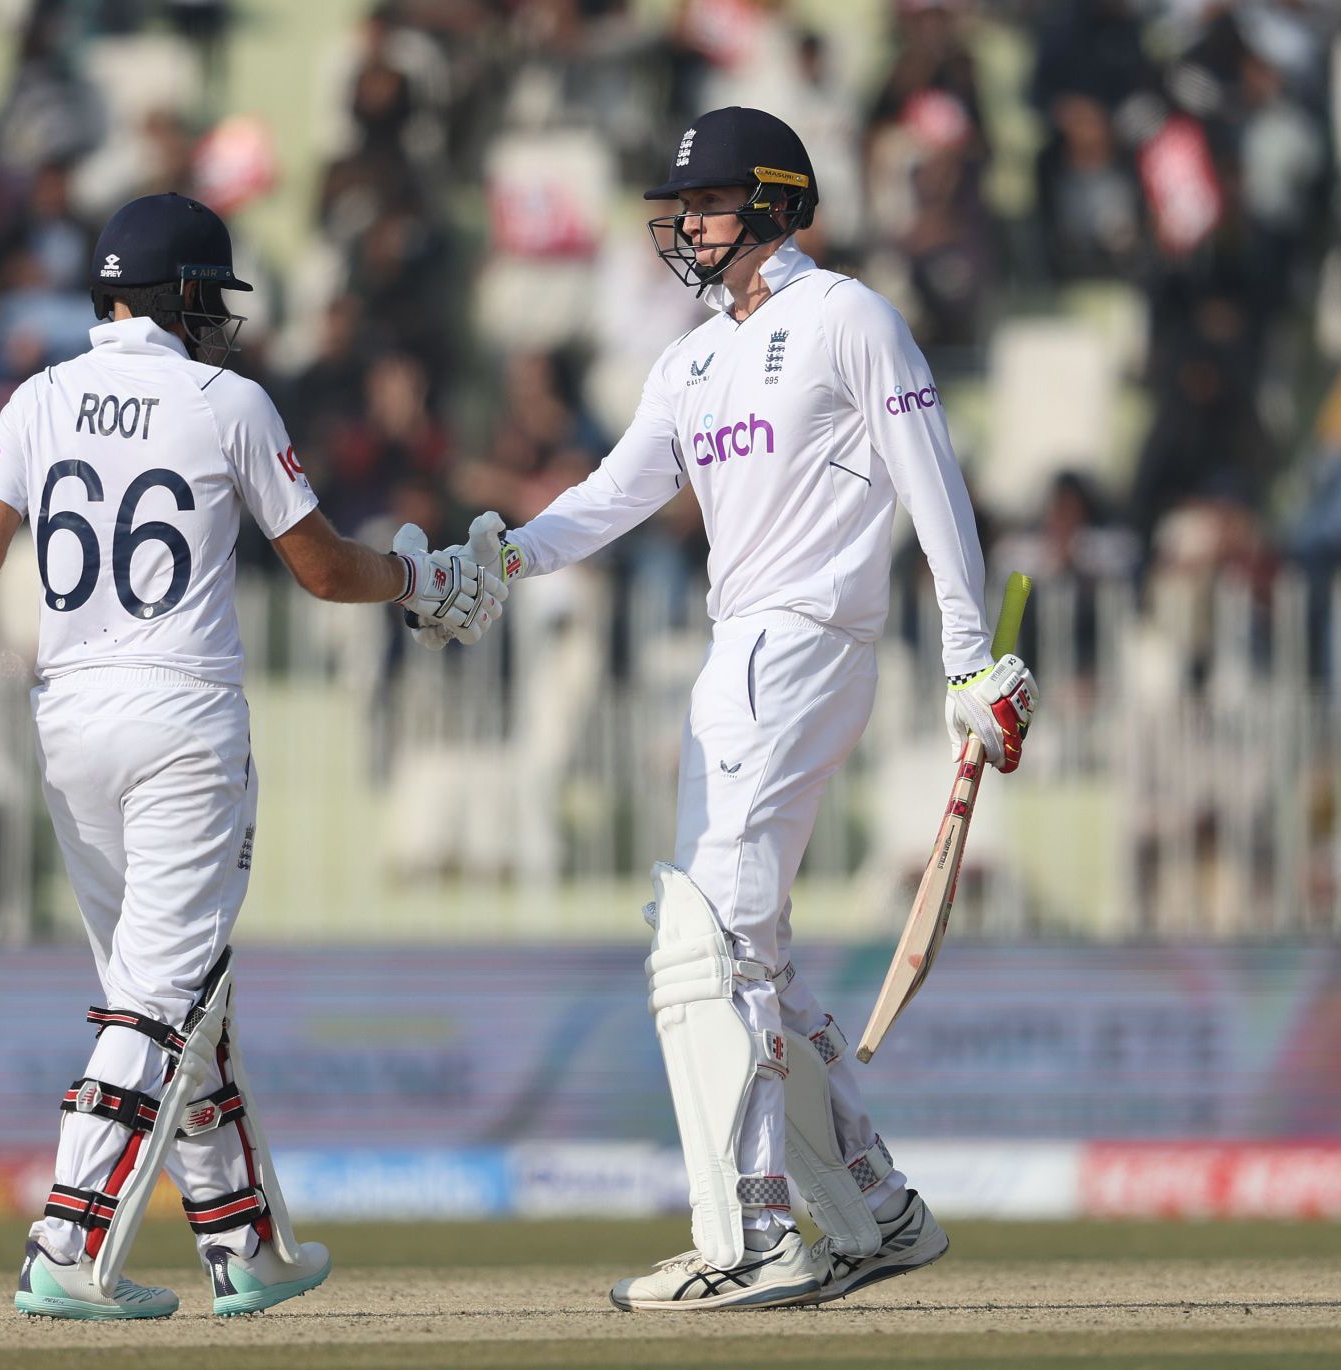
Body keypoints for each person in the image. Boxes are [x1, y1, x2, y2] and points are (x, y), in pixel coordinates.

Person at [0, 193, 506, 1320]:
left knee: (166, 985)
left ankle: (241, 1239)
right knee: (160, 994)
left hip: (69, 722)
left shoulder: (42, 393)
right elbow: (319, 567)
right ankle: (67, 1238)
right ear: (182, 296)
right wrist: (423, 580)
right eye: (212, 297)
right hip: (183, 721)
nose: (222, 320)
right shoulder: (228, 400)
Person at [473, 107, 1036, 1311]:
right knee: (746, 955)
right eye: (677, 208)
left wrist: (968, 659)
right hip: (741, 648)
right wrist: (501, 561)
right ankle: (870, 1212)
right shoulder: (688, 361)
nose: (683, 226)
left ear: (778, 205)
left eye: (709, 206)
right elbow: (614, 493)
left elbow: (931, 485)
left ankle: (753, 1235)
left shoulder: (846, 317)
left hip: (810, 636)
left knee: (705, 939)